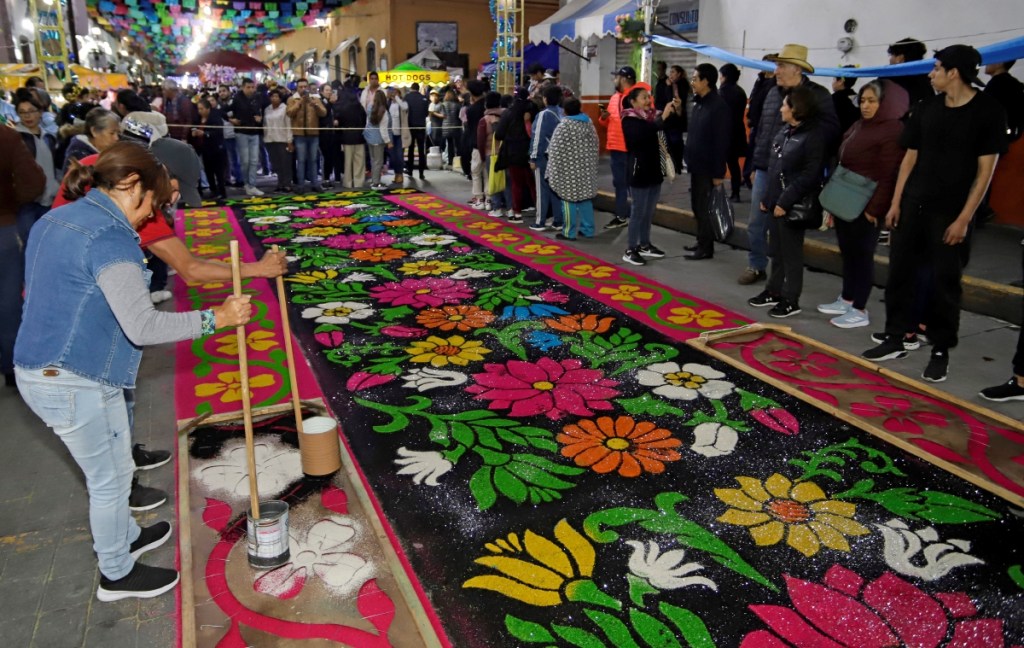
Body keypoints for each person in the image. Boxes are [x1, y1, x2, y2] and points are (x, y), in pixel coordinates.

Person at [14, 142, 253, 602]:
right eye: (155, 204)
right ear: (131, 186)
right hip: (67, 376)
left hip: (71, 366)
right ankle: (117, 574)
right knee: (108, 481)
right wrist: (216, 319)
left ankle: (124, 537)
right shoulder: (109, 237)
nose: (152, 217)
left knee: (119, 469)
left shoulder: (59, 216)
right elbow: (143, 325)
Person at [862, 45, 1008, 383]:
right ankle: (896, 336)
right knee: (899, 273)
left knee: (945, 282)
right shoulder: (926, 107)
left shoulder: (988, 111)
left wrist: (964, 218)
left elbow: (985, 172)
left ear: (954, 72)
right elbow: (909, 158)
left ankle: (940, 347)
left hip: (951, 211)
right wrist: (896, 202)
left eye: (937, 67)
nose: (931, 74)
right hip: (914, 204)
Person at [740, 44, 839, 286]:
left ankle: (784, 283)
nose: (776, 70)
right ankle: (757, 265)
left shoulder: (818, 95)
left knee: (787, 231)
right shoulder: (772, 92)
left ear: (796, 69)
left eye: (781, 65)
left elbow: (831, 133)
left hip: (796, 174)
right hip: (766, 168)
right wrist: (754, 164)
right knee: (756, 223)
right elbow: (761, 131)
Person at [817, 80, 908, 329]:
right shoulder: (860, 124)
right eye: (863, 100)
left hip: (867, 204)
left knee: (863, 255)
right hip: (846, 197)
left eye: (872, 101)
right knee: (848, 252)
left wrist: (874, 208)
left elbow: (888, 173)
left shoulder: (892, 129)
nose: (866, 106)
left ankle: (859, 308)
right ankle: (847, 298)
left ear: (885, 103)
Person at [748, 87, 828, 318]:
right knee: (776, 250)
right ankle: (773, 290)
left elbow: (808, 175)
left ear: (796, 109)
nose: (781, 108)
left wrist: (784, 201)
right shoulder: (786, 131)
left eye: (785, 105)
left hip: (794, 205)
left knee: (791, 255)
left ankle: (791, 299)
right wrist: (768, 199)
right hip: (776, 203)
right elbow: (774, 168)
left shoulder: (813, 136)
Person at [0, 126, 45, 388]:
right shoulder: (6, 137)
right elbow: (33, 183)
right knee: (8, 303)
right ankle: (11, 368)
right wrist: (12, 204)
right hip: (4, 229)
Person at [621, 86, 676, 266]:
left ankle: (644, 244)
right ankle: (630, 249)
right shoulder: (629, 119)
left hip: (654, 170)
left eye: (648, 97)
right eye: (644, 98)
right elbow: (643, 134)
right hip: (639, 172)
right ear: (633, 101)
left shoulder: (653, 117)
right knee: (638, 211)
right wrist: (663, 118)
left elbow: (665, 126)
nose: (648, 101)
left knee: (649, 212)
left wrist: (675, 111)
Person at [684, 64, 730, 261]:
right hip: (696, 165)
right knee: (697, 206)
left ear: (706, 81)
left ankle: (706, 248)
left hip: (708, 167)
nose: (692, 83)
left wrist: (719, 173)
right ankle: (701, 240)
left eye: (695, 79)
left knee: (705, 208)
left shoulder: (718, 107)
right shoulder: (699, 103)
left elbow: (721, 142)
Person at [599, 66, 651, 229]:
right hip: (616, 147)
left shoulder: (635, 99)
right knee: (620, 183)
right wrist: (604, 117)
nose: (614, 80)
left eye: (616, 77)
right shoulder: (615, 98)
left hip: (629, 148)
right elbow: (605, 122)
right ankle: (622, 215)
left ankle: (635, 216)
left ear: (623, 79)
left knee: (631, 184)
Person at [546, 98, 599, 241]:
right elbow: (596, 145)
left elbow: (554, 150)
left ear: (565, 110)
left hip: (568, 171)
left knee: (567, 199)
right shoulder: (589, 123)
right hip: (586, 169)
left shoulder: (564, 126)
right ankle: (587, 230)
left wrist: (552, 170)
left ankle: (568, 232)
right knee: (585, 199)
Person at [13, 88, 60, 247]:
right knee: (31, 244)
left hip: (50, 198)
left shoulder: (49, 137)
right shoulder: (15, 137)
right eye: (22, 112)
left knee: (50, 244)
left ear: (40, 112)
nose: (27, 116)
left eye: (31, 111)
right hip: (26, 201)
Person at [494, 88, 537, 224]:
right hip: (532, 152)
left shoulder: (509, 112)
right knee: (533, 184)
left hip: (513, 152)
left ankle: (517, 213)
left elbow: (499, 133)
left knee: (516, 184)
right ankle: (541, 213)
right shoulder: (534, 110)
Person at [529, 85, 565, 232]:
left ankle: (540, 221)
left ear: (545, 99)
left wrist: (533, 157)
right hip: (559, 157)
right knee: (556, 190)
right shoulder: (562, 113)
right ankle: (558, 221)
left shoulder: (544, 115)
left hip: (544, 157)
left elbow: (537, 137)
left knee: (542, 190)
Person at [286, 78, 326, 192]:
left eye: (305, 87)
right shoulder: (292, 99)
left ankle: (315, 183)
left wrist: (316, 105)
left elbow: (323, 113)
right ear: (297, 88)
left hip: (313, 134)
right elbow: (289, 113)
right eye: (301, 87)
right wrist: (298, 103)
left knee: (313, 160)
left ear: (308, 87)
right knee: (301, 160)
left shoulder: (315, 99)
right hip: (299, 135)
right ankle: (300, 185)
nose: (303, 89)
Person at [227, 78, 265, 196]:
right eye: (248, 87)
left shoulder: (257, 97)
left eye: (252, 87)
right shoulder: (236, 99)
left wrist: (260, 118)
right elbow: (225, 111)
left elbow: (261, 111)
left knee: (254, 160)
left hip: (254, 132)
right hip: (242, 133)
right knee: (245, 161)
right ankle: (246, 183)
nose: (250, 90)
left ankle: (252, 185)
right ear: (243, 87)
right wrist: (231, 120)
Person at [744, 56, 778, 187]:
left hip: (763, 126)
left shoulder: (774, 85)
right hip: (755, 124)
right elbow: (754, 100)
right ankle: (749, 176)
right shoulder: (761, 81)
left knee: (757, 153)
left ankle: (753, 177)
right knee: (751, 152)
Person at [718, 63, 748, 202]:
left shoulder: (722, 92)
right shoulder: (741, 91)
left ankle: (715, 190)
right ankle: (735, 192)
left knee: (718, 162)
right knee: (733, 164)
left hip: (723, 132)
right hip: (737, 130)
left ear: (724, 76)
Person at [62, 107, 121, 176]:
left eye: (118, 133)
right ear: (94, 131)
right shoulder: (79, 156)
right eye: (112, 133)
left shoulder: (108, 152)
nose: (116, 138)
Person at [477, 92, 507, 218]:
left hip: (491, 153)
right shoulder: (505, 116)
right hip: (505, 153)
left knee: (493, 181)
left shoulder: (485, 120)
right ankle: (510, 208)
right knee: (507, 182)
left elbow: (480, 140)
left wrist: (482, 157)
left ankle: (497, 207)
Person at [192, 98, 228, 200]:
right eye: (198, 109)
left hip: (216, 148)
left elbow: (218, 132)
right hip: (204, 148)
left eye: (202, 109)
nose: (200, 111)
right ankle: (213, 190)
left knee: (219, 172)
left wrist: (205, 134)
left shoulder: (215, 117)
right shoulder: (198, 118)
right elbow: (193, 126)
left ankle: (222, 192)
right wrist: (194, 131)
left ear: (208, 109)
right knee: (208, 171)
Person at [888, 38, 934, 111]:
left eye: (892, 55)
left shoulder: (888, 79)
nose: (890, 59)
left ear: (900, 58)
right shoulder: (930, 78)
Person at [265, 89, 295, 193]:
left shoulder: (284, 109)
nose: (274, 98)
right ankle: (280, 183)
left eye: (276, 96)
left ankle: (287, 184)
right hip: (270, 140)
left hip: (283, 140)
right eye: (272, 96)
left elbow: (288, 125)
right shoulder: (267, 109)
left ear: (280, 98)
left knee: (285, 163)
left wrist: (289, 140)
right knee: (276, 164)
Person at [463, 81, 488, 206]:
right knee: (487, 172)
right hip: (489, 143)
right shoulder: (487, 106)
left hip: (476, 143)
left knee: (476, 172)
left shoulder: (471, 109)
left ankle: (479, 198)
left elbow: (469, 127)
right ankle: (489, 199)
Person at [337, 90, 367, 189]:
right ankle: (358, 182)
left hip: (347, 138)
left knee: (347, 162)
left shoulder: (343, 108)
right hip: (359, 137)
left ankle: (348, 182)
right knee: (359, 161)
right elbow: (364, 121)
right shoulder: (360, 108)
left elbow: (340, 122)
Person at [364, 90, 392, 190]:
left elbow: (367, 123)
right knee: (378, 162)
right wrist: (388, 141)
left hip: (369, 138)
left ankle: (374, 180)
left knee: (373, 161)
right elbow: (383, 129)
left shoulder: (369, 108)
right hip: (378, 139)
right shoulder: (384, 111)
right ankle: (376, 183)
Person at [317, 84, 342, 187]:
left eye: (330, 90)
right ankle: (325, 179)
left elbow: (334, 114)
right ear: (322, 91)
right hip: (323, 133)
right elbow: (323, 114)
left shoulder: (332, 103)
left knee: (331, 157)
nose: (329, 92)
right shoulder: (320, 101)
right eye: (327, 90)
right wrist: (330, 104)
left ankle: (328, 178)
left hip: (332, 133)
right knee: (325, 157)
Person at [218, 85, 243, 186]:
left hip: (234, 134)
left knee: (236, 158)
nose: (222, 93)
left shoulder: (234, 102)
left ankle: (240, 179)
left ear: (229, 91)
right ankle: (227, 179)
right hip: (223, 135)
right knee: (226, 160)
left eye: (224, 91)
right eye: (220, 92)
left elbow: (232, 115)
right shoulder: (219, 105)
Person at [404, 82, 429, 180]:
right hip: (421, 126)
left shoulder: (407, 98)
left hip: (410, 126)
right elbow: (426, 113)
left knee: (410, 149)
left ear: (411, 88)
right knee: (421, 150)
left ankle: (410, 170)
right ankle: (421, 172)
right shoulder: (424, 99)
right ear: (418, 89)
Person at [387, 86, 410, 186]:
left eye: (396, 93)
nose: (394, 94)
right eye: (393, 93)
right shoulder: (388, 104)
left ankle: (400, 174)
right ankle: (396, 173)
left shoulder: (402, 103)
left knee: (399, 155)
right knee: (392, 156)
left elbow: (405, 107)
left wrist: (397, 98)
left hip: (400, 134)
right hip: (390, 133)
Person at [832, 68, 861, 135]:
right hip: (854, 136)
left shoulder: (834, 99)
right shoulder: (857, 97)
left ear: (840, 81)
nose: (832, 82)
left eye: (834, 79)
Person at [441, 89, 462, 170]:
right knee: (457, 144)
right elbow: (459, 116)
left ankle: (450, 161)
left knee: (449, 144)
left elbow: (443, 115)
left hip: (446, 127)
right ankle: (458, 160)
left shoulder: (443, 104)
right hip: (456, 126)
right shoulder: (457, 105)